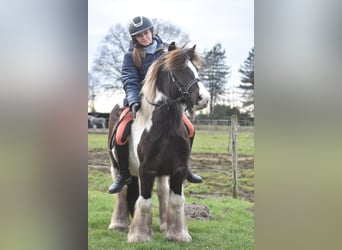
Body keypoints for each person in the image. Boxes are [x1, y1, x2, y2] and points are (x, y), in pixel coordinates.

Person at [108, 16, 202, 194]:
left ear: (152, 31)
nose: (144, 37)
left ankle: (185, 166)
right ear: (134, 38)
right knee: (120, 135)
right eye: (139, 35)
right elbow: (130, 79)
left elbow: (179, 75)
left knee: (189, 129)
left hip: (164, 105)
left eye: (146, 32)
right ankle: (123, 174)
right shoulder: (130, 56)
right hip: (139, 103)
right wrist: (134, 100)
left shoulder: (166, 52)